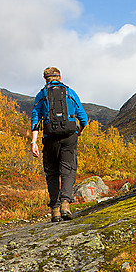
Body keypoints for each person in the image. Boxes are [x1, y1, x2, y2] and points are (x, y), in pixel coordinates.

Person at [31, 67, 88, 222]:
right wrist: (79, 131)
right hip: (69, 136)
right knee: (68, 170)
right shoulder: (70, 93)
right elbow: (83, 118)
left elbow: (35, 119)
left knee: (52, 173)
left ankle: (55, 211)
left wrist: (34, 141)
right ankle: (65, 205)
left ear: (45, 79)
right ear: (60, 77)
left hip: (50, 137)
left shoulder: (41, 95)